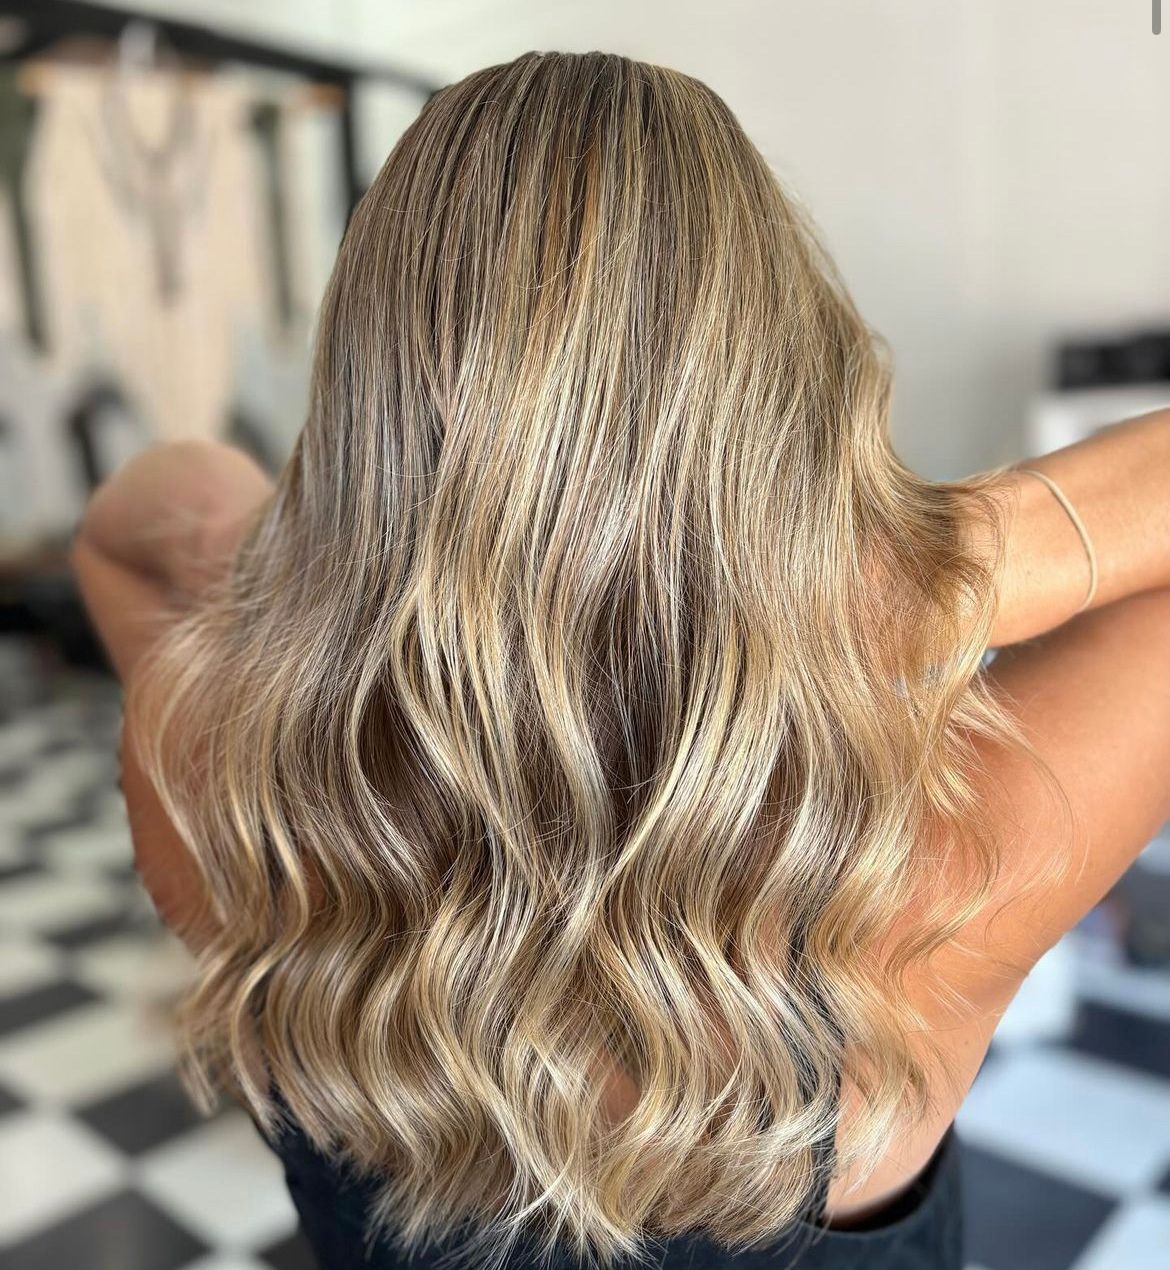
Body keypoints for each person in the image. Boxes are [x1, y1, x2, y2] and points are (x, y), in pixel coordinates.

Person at [71, 50, 1170, 1270]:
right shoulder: (935, 878)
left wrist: (323, 566)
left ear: (368, 401)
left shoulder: (212, 773)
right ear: (788, 391)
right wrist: (944, 564)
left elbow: (136, 514)